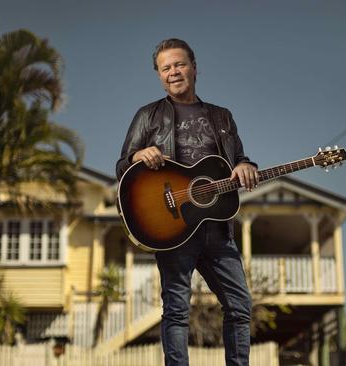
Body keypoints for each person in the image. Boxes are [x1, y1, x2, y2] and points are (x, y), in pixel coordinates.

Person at [116, 38, 258, 366]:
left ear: (194, 68)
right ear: (159, 75)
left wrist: (244, 166)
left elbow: (239, 159)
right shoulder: (147, 115)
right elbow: (122, 166)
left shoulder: (222, 117)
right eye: (166, 68)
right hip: (173, 226)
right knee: (177, 311)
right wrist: (139, 154)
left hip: (218, 228)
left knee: (239, 308)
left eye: (179, 64)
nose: (173, 72)